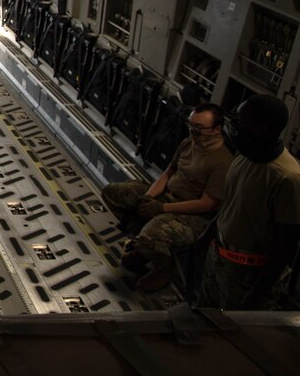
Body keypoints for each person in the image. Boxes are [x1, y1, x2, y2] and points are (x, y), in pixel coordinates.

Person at [100, 103, 233, 293]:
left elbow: (207, 203)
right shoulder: (188, 144)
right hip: (166, 198)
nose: (193, 131)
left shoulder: (223, 161)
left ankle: (163, 267)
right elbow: (168, 173)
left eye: (199, 128)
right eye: (191, 125)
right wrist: (148, 198)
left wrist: (162, 209)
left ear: (217, 129)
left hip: (193, 216)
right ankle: (144, 248)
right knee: (113, 193)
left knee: (150, 236)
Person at [198, 94, 300, 309]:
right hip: (217, 254)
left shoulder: (288, 177)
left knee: (231, 336)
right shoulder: (245, 155)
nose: (234, 124)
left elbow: (286, 244)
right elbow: (232, 202)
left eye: (241, 120)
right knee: (204, 318)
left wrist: (257, 294)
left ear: (261, 128)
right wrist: (207, 236)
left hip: (246, 273)